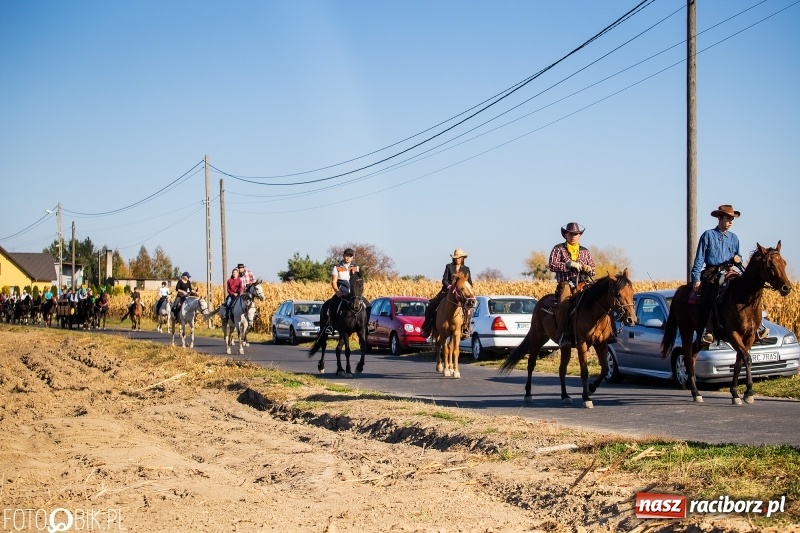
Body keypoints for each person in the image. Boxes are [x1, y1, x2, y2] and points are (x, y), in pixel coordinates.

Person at [691, 204, 747, 345]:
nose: (731, 222)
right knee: (710, 293)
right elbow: (699, 258)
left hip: (729, 271)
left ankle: (755, 326)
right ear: (720, 218)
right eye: (728, 218)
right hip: (712, 272)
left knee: (746, 290)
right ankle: (706, 331)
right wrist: (696, 279)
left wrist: (738, 259)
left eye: (732, 219)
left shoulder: (734, 238)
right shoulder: (708, 235)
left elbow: (739, 256)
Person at [549, 222, 598, 349]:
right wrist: (568, 265)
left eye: (576, 234)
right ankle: (564, 334)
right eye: (571, 233)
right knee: (564, 304)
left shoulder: (585, 251)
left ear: (580, 236)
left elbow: (593, 268)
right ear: (565, 234)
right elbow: (552, 265)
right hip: (566, 283)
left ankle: (609, 332)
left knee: (601, 298)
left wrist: (589, 269)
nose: (573, 236)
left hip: (583, 282)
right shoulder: (558, 249)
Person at [420, 248, 474, 340]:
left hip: (461, 293)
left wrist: (467, 291)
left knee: (469, 310)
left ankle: (466, 329)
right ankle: (427, 328)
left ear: (462, 258)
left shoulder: (466, 269)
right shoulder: (449, 267)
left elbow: (469, 282)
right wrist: (449, 287)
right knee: (431, 306)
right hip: (447, 291)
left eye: (459, 257)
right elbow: (444, 279)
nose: (457, 259)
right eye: (456, 258)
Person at [323, 248, 359, 335]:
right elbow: (334, 281)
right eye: (347, 255)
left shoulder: (356, 267)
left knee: (366, 305)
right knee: (332, 304)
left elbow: (358, 280)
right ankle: (331, 326)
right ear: (343, 256)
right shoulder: (337, 267)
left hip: (354, 293)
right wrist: (337, 291)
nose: (348, 257)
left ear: (352, 257)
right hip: (342, 293)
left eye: (350, 256)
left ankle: (366, 325)